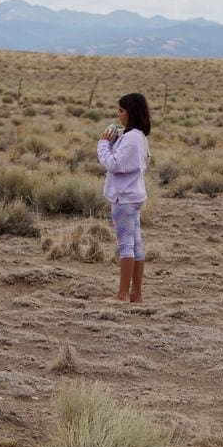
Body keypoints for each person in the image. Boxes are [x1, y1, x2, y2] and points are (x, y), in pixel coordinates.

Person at [97, 93, 151, 303]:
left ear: (131, 112)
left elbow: (115, 164)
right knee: (136, 246)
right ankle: (136, 294)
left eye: (121, 111)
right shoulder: (139, 137)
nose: (118, 115)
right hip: (134, 196)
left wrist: (103, 144)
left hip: (124, 199)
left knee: (126, 246)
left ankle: (122, 294)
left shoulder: (131, 139)